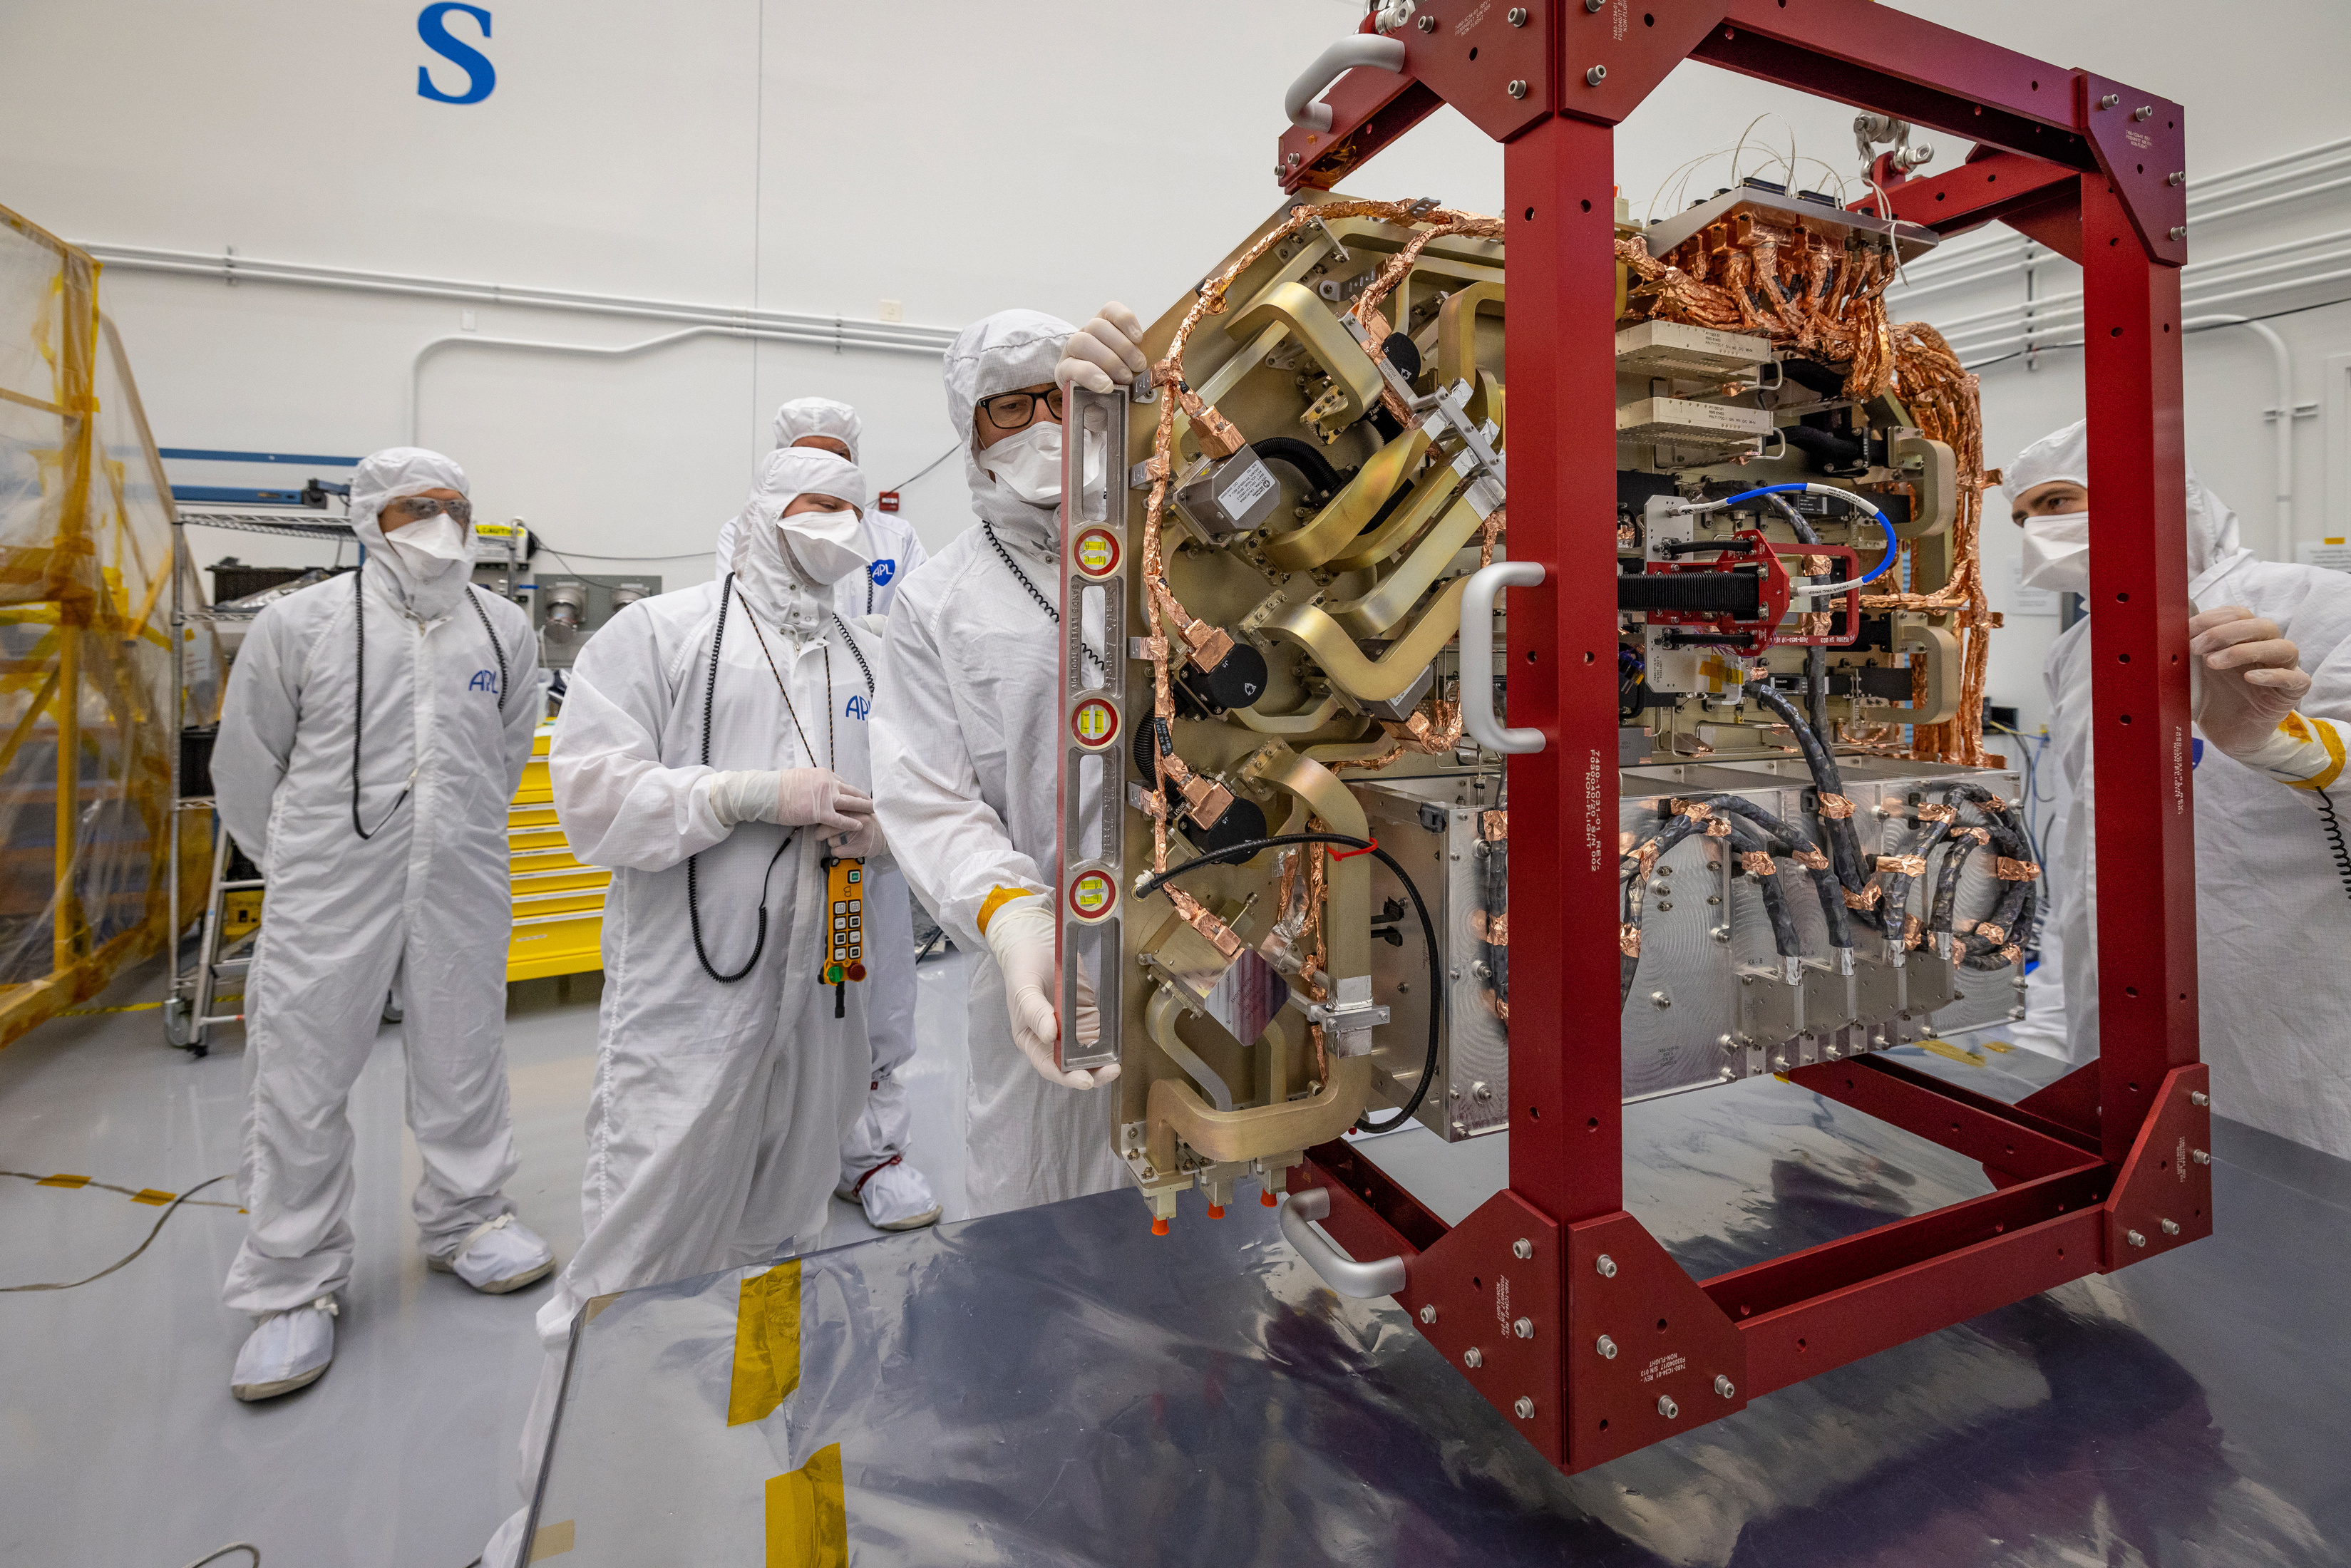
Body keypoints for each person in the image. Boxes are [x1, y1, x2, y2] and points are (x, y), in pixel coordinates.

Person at [478, 445, 883, 1568]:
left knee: (784, 1243)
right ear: (761, 513)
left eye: (852, 507)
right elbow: (593, 800)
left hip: (824, 998)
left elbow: (912, 788)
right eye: (813, 505)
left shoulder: (861, 648)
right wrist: (749, 795)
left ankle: (745, 1470)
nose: (835, 525)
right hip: (688, 1007)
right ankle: (560, 1512)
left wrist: (878, 827)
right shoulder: (663, 637)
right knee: (635, 1253)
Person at [210, 447, 550, 1403]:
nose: (438, 522)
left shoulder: (502, 628)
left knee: (465, 1053)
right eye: (414, 507)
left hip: (461, 874)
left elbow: (510, 743)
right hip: (329, 883)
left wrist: (450, 833)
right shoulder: (299, 624)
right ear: (368, 519)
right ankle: (291, 1283)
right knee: (301, 1072)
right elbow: (246, 767)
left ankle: (469, 1221)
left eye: (453, 505)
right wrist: (302, 867)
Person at [2008, 419, 2351, 1158]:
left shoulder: (2315, 604)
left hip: (2286, 1055)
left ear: (2159, 497)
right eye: (2022, 515)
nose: (2038, 528)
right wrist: (2050, 1026)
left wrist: (2277, 744)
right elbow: (2080, 859)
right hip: (2112, 1046)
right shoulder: (2077, 652)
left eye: (2058, 501)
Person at [871, 304, 1148, 1218]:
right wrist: (1011, 915)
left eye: (1059, 400)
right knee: (1034, 1197)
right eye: (1009, 406)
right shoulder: (940, 600)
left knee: (1199, 1176)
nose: (1040, 425)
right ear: (971, 429)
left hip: (1199, 930)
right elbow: (929, 794)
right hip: (1038, 954)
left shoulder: (1168, 551)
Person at [714, 395, 940, 1230]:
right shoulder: (741, 537)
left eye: (837, 458)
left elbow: (916, 658)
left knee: (869, 982)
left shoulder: (894, 542)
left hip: (864, 808)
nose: (824, 474)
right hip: (772, 814)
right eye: (805, 462)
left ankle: (872, 1154)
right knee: (763, 991)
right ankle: (768, 1156)